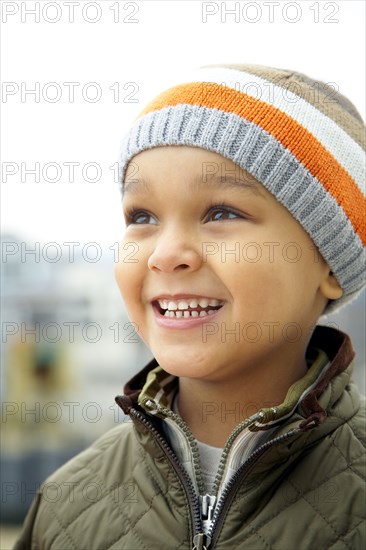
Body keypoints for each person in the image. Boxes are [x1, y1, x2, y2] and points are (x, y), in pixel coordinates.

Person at [15, 64, 365, 549]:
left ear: (329, 261)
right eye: (143, 216)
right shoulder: (66, 503)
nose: (165, 254)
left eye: (221, 213)